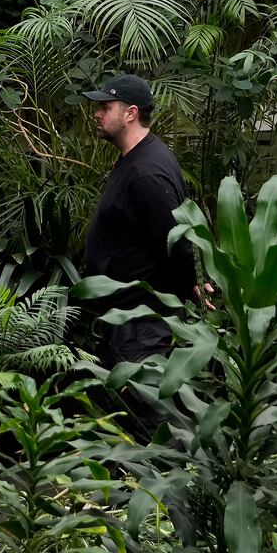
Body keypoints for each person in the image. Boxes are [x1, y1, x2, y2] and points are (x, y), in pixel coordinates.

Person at [82, 74, 195, 366]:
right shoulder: (138, 158)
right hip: (130, 322)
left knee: (146, 409)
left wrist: (193, 285)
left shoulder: (146, 174)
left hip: (143, 330)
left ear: (130, 113)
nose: (97, 113)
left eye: (106, 107)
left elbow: (177, 243)